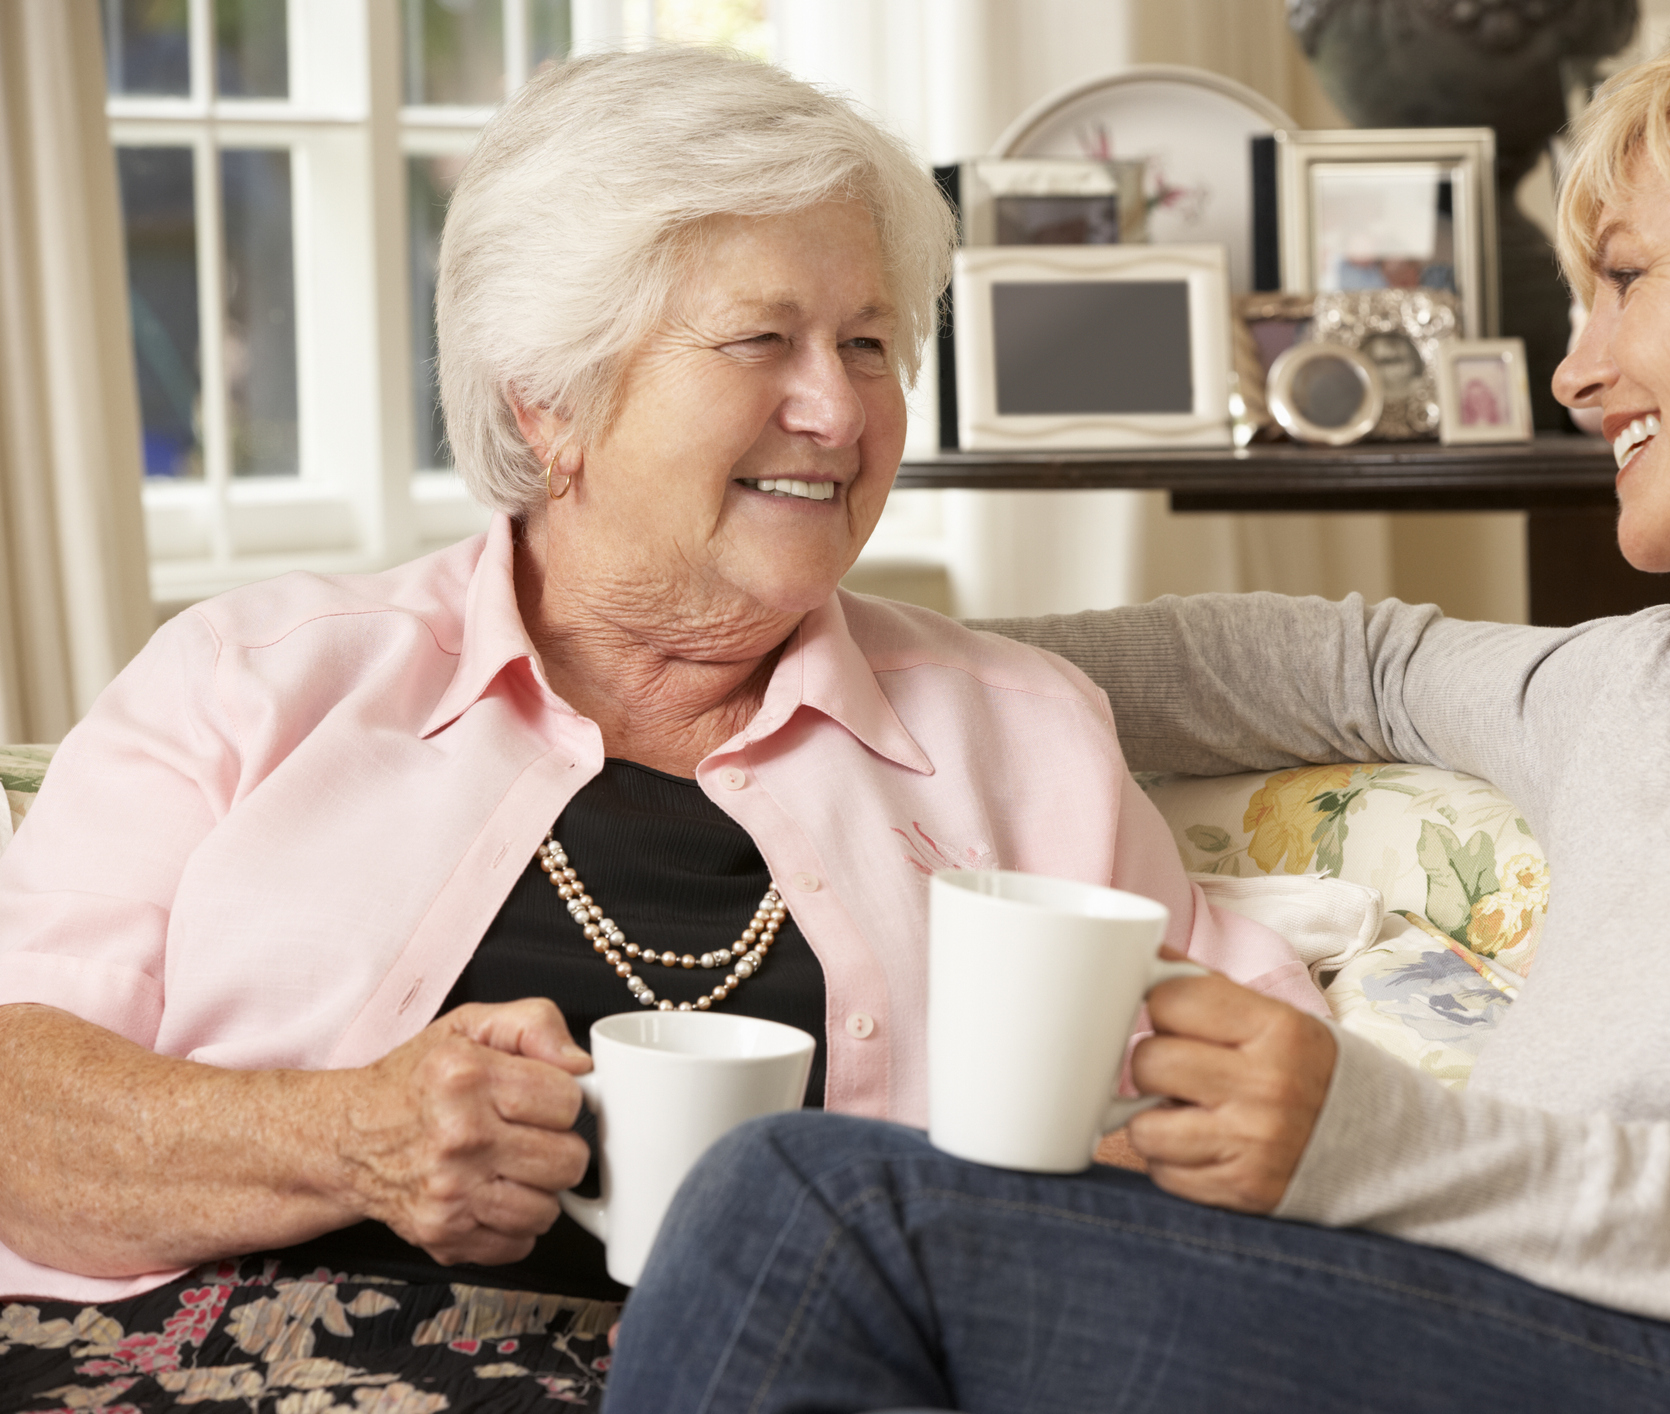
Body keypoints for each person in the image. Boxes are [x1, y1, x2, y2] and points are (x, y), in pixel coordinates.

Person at [602, 3, 1670, 1411]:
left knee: (804, 1204)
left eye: (1628, 279)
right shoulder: (1646, 689)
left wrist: (1398, 1152)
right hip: (1485, 1327)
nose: (1577, 368)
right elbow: (1332, 659)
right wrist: (778, 655)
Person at [0, 47, 1319, 1405]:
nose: (839, 409)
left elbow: (1235, 1085)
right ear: (549, 403)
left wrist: (1281, 1117)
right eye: (763, 340)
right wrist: (346, 1135)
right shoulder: (251, 683)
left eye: (869, 343)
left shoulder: (1023, 738)